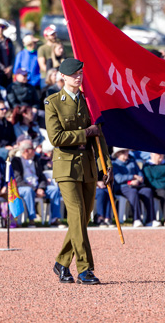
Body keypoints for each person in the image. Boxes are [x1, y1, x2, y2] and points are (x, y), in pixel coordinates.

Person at [45, 57, 113, 285]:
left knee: (82, 219)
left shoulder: (89, 101)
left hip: (87, 166)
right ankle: (85, 269)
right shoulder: (53, 102)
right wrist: (85, 134)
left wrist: (106, 166)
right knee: (76, 215)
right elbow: (56, 138)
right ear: (62, 76)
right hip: (66, 166)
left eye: (80, 73)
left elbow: (99, 136)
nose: (78, 77)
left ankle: (62, 262)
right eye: (74, 74)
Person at [11, 138, 65, 228]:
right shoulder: (16, 160)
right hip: (23, 188)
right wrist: (35, 189)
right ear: (26, 150)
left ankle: (55, 219)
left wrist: (41, 188)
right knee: (28, 191)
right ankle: (32, 219)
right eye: (32, 148)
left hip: (37, 186)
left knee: (54, 190)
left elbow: (41, 176)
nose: (34, 150)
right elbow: (18, 180)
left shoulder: (36, 159)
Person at [112, 147, 157, 227]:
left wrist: (138, 180)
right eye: (124, 152)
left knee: (147, 191)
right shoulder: (114, 164)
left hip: (136, 186)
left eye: (127, 151)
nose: (127, 153)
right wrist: (132, 177)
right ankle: (136, 219)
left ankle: (151, 219)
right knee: (133, 192)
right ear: (118, 154)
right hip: (122, 187)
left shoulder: (132, 162)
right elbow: (118, 179)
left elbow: (140, 174)